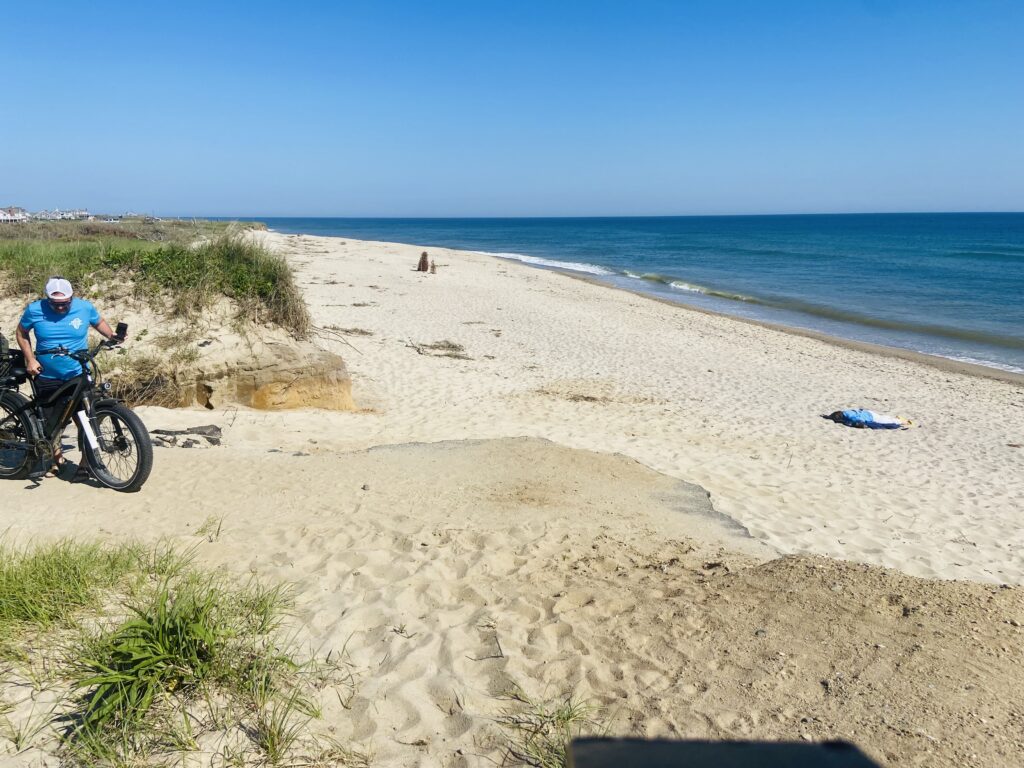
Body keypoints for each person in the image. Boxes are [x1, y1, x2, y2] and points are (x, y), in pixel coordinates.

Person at [14, 277, 118, 473]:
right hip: (47, 375)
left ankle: (86, 463)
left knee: (84, 419)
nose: (61, 308)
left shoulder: (84, 307)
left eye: (65, 303)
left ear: (72, 297)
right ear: (47, 299)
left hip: (78, 373)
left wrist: (111, 335)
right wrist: (30, 359)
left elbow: (99, 322)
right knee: (52, 421)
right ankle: (56, 458)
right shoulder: (35, 309)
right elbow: (21, 333)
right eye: (56, 304)